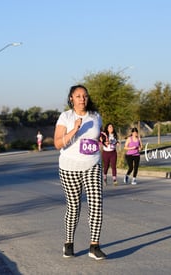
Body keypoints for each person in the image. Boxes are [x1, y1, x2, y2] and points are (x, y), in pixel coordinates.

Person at [54, 84, 106, 260]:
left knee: (96, 204)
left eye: (84, 96)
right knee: (74, 206)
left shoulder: (96, 116)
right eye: (78, 96)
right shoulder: (66, 117)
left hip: (92, 164)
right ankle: (68, 242)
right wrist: (75, 129)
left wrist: (102, 138)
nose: (82, 99)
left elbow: (97, 136)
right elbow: (58, 144)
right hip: (69, 167)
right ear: (71, 98)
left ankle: (94, 245)